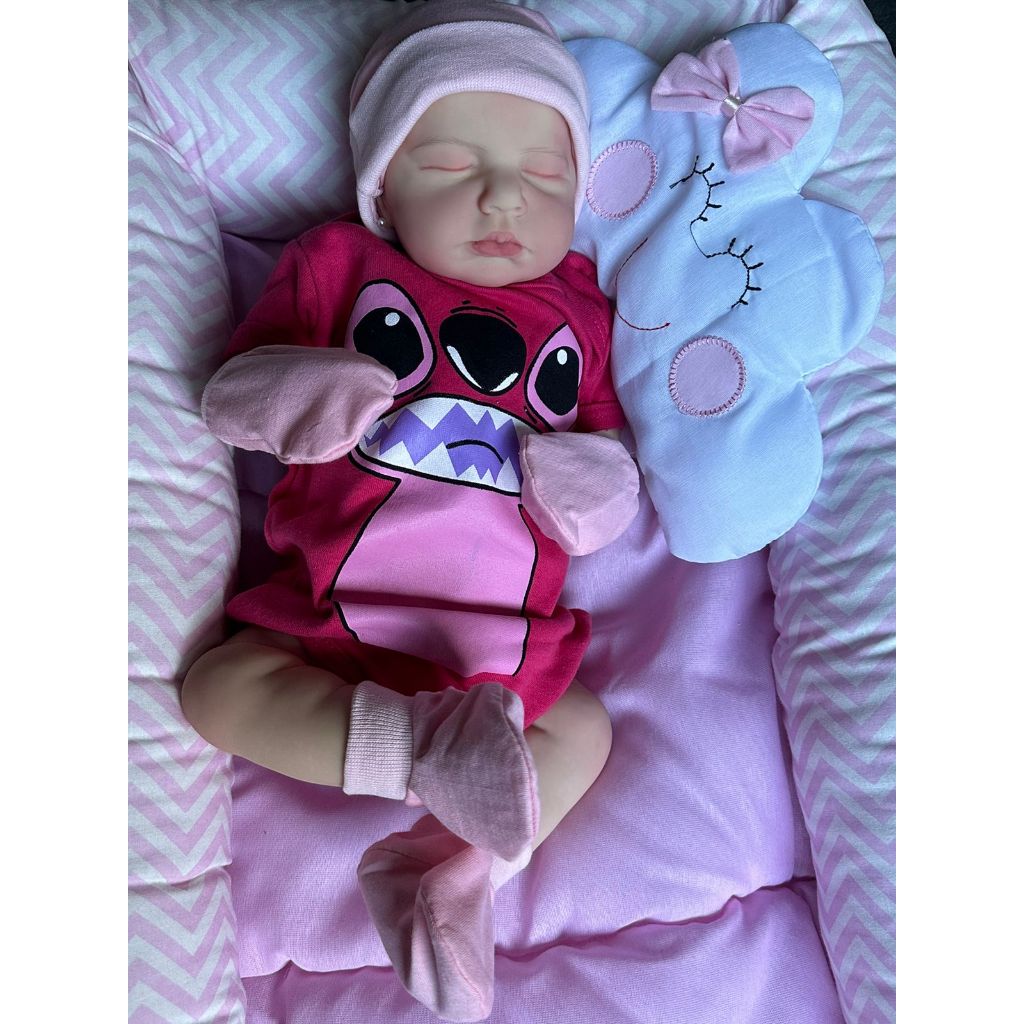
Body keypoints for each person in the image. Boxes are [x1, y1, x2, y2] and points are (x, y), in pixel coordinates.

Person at [181, 2, 639, 1020]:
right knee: (218, 690)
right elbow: (232, 394)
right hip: (330, 616)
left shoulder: (581, 309)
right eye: (450, 164)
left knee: (583, 728)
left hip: (503, 649)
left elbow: (610, 456)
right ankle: (420, 753)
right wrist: (303, 390)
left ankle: (454, 868)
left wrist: (592, 487)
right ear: (384, 187)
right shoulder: (339, 264)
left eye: (545, 174)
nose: (503, 195)